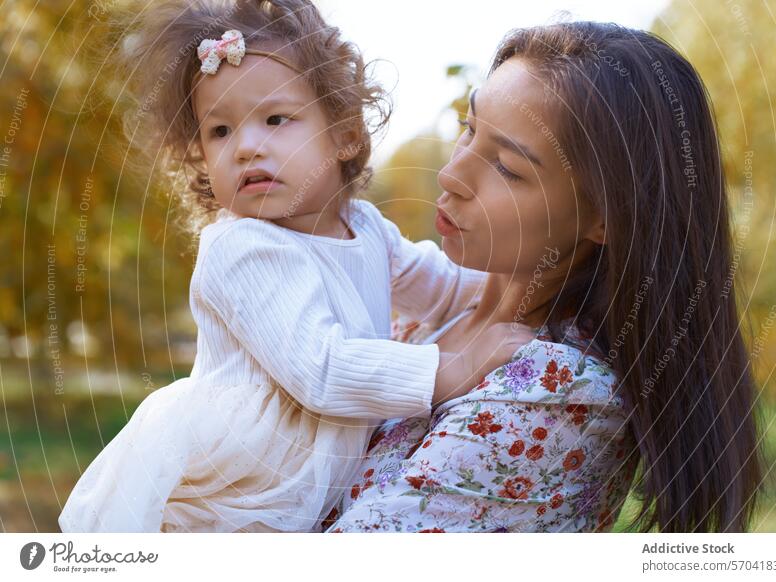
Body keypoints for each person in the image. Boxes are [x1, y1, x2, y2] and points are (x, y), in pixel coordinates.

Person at [58, 0, 534, 533]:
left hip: (316, 470)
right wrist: (457, 366)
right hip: (244, 483)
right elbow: (322, 371)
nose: (246, 147)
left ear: (345, 136)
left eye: (276, 119)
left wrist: (530, 280)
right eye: (219, 131)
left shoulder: (365, 226)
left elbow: (442, 290)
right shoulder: (242, 250)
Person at [325, 22, 764, 533]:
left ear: (606, 217)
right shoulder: (424, 319)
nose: (451, 175)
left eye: (508, 168)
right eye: (469, 127)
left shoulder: (560, 393)